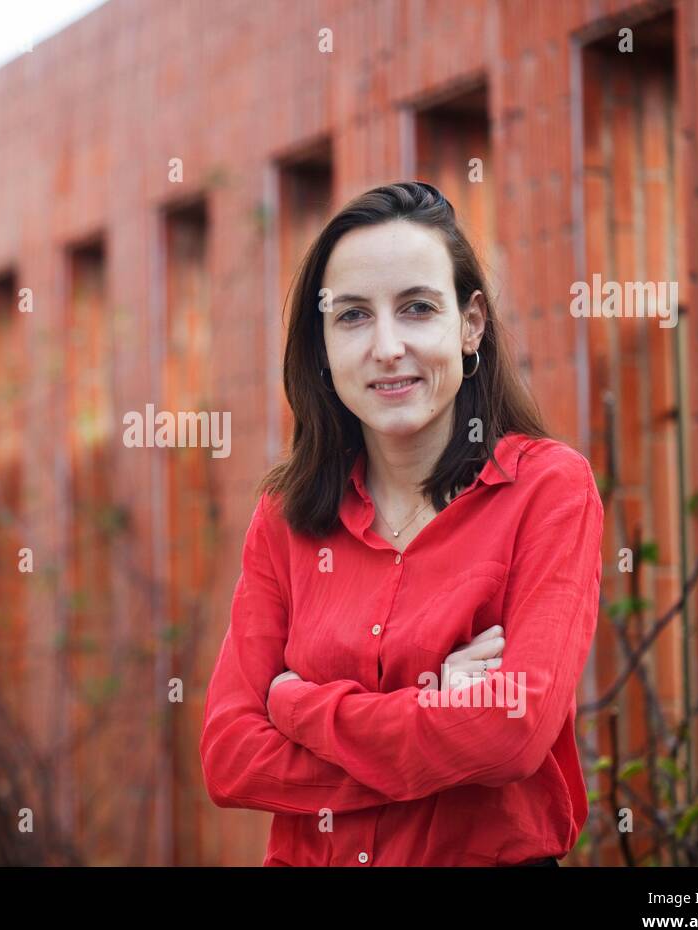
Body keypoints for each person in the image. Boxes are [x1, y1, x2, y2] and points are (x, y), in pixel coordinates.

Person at [199, 181, 605, 866]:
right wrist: (432, 713)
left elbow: (512, 731)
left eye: (417, 309)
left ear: (471, 323)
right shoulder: (285, 520)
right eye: (353, 317)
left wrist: (299, 711)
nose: (387, 347)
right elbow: (231, 757)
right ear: (322, 346)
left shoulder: (547, 491)